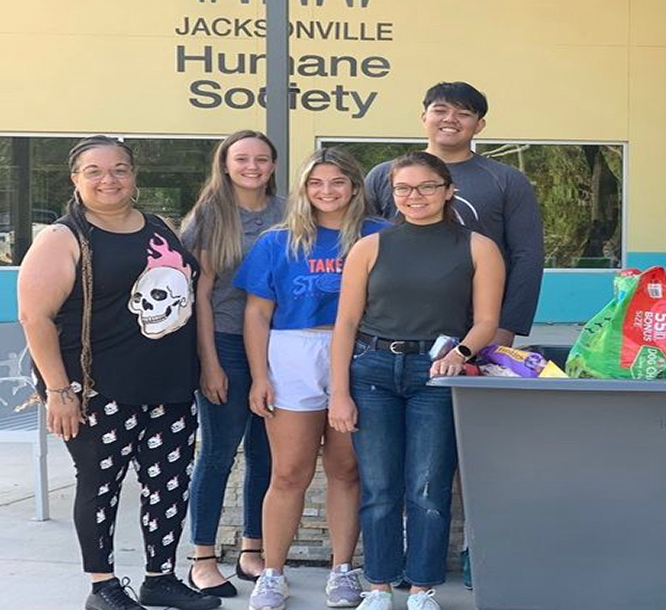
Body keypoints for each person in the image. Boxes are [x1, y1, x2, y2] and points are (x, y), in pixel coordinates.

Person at [17, 136, 219, 610]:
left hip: (169, 384)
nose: (109, 179)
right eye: (94, 171)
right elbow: (35, 317)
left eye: (119, 169)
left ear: (133, 175)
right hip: (97, 389)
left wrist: (206, 365)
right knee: (100, 485)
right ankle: (102, 585)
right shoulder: (63, 238)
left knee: (168, 483)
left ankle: (160, 578)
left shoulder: (159, 227)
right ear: (76, 179)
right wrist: (59, 391)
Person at [328, 151, 505, 610]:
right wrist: (339, 393)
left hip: (436, 375)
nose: (415, 196)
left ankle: (422, 588)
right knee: (379, 487)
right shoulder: (369, 247)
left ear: (448, 190)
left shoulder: (478, 247)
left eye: (427, 186)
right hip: (372, 371)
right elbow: (346, 323)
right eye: (404, 188)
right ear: (393, 194)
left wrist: (459, 354)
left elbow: (486, 321)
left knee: (428, 488)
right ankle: (380, 587)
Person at [235, 148, 389, 610]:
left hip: (360, 352)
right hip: (293, 352)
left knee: (346, 469)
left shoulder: (380, 235)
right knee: (288, 472)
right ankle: (272, 573)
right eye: (316, 182)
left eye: (338, 181)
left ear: (355, 187)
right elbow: (257, 313)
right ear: (302, 188)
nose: (327, 191)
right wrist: (259, 376)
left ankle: (342, 569)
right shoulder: (278, 241)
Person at [181, 130, 286, 596]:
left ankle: (252, 550)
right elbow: (200, 293)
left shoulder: (289, 212)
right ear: (225, 164)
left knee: (267, 452)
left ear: (273, 165)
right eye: (242, 158)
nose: (252, 167)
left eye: (261, 159)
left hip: (279, 345)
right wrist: (209, 361)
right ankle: (202, 557)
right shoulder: (209, 215)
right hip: (225, 342)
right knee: (219, 451)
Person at [364, 81, 543, 347]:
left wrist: (507, 326)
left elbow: (527, 256)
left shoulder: (507, 180)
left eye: (463, 113)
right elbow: (360, 248)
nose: (450, 119)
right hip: (391, 328)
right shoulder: (384, 175)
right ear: (424, 117)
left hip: (475, 328)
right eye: (440, 110)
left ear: (479, 125)